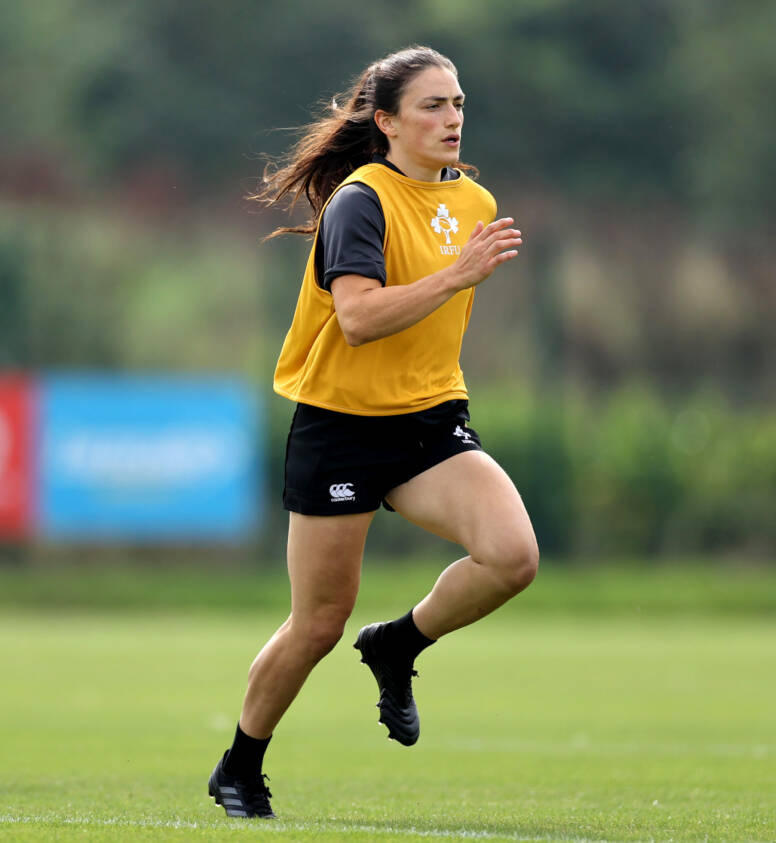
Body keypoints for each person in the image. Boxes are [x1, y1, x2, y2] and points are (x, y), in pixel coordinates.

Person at [208, 46, 538, 818]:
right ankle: (239, 765)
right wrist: (455, 275)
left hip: (429, 419)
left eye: (458, 103)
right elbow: (357, 319)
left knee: (512, 556)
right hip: (342, 427)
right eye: (433, 105)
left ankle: (398, 643)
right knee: (320, 622)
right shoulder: (360, 201)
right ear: (386, 121)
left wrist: (456, 277)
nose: (453, 118)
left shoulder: (475, 201)